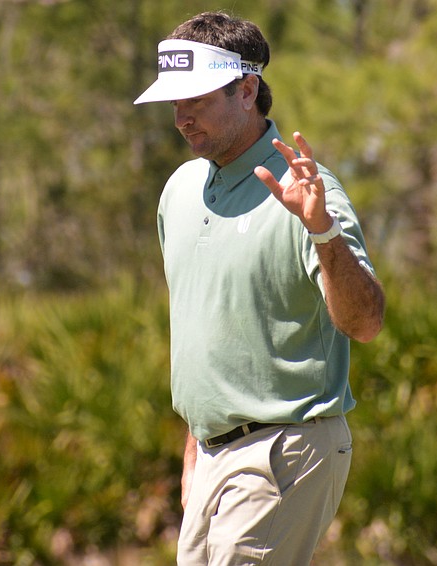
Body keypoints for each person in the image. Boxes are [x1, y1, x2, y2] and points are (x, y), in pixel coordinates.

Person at [133, 11, 385, 565]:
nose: (181, 118)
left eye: (195, 100)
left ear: (247, 91)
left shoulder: (305, 189)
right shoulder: (177, 192)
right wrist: (197, 445)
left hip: (285, 446)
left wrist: (321, 229)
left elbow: (364, 323)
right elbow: (207, 332)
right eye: (174, 103)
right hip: (211, 455)